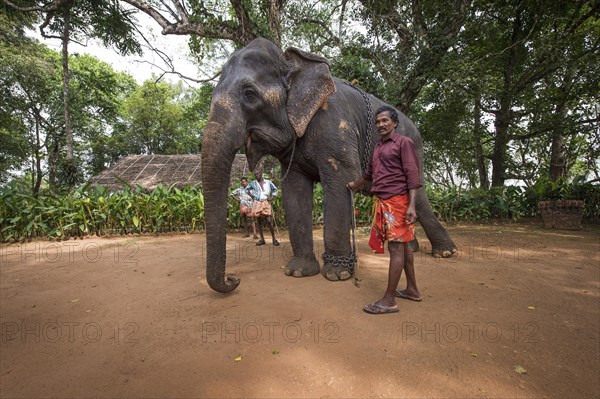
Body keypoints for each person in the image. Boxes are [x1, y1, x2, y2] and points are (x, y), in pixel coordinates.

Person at [347, 105, 422, 314]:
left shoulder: (404, 143)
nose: (380, 124)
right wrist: (355, 185)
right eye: (377, 122)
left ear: (394, 123)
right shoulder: (378, 147)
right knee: (405, 248)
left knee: (396, 248)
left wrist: (412, 206)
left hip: (398, 202)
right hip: (384, 202)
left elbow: (413, 176)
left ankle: (389, 300)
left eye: (384, 121)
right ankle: (413, 290)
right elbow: (369, 173)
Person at [247, 169, 280, 246]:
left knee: (269, 220)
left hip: (265, 202)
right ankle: (262, 239)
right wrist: (252, 197)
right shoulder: (253, 183)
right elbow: (247, 189)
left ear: (261, 173)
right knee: (258, 221)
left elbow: (275, 190)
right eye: (255, 174)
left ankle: (274, 239)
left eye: (258, 174)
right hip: (257, 202)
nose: (256, 175)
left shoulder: (268, 182)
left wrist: (272, 198)